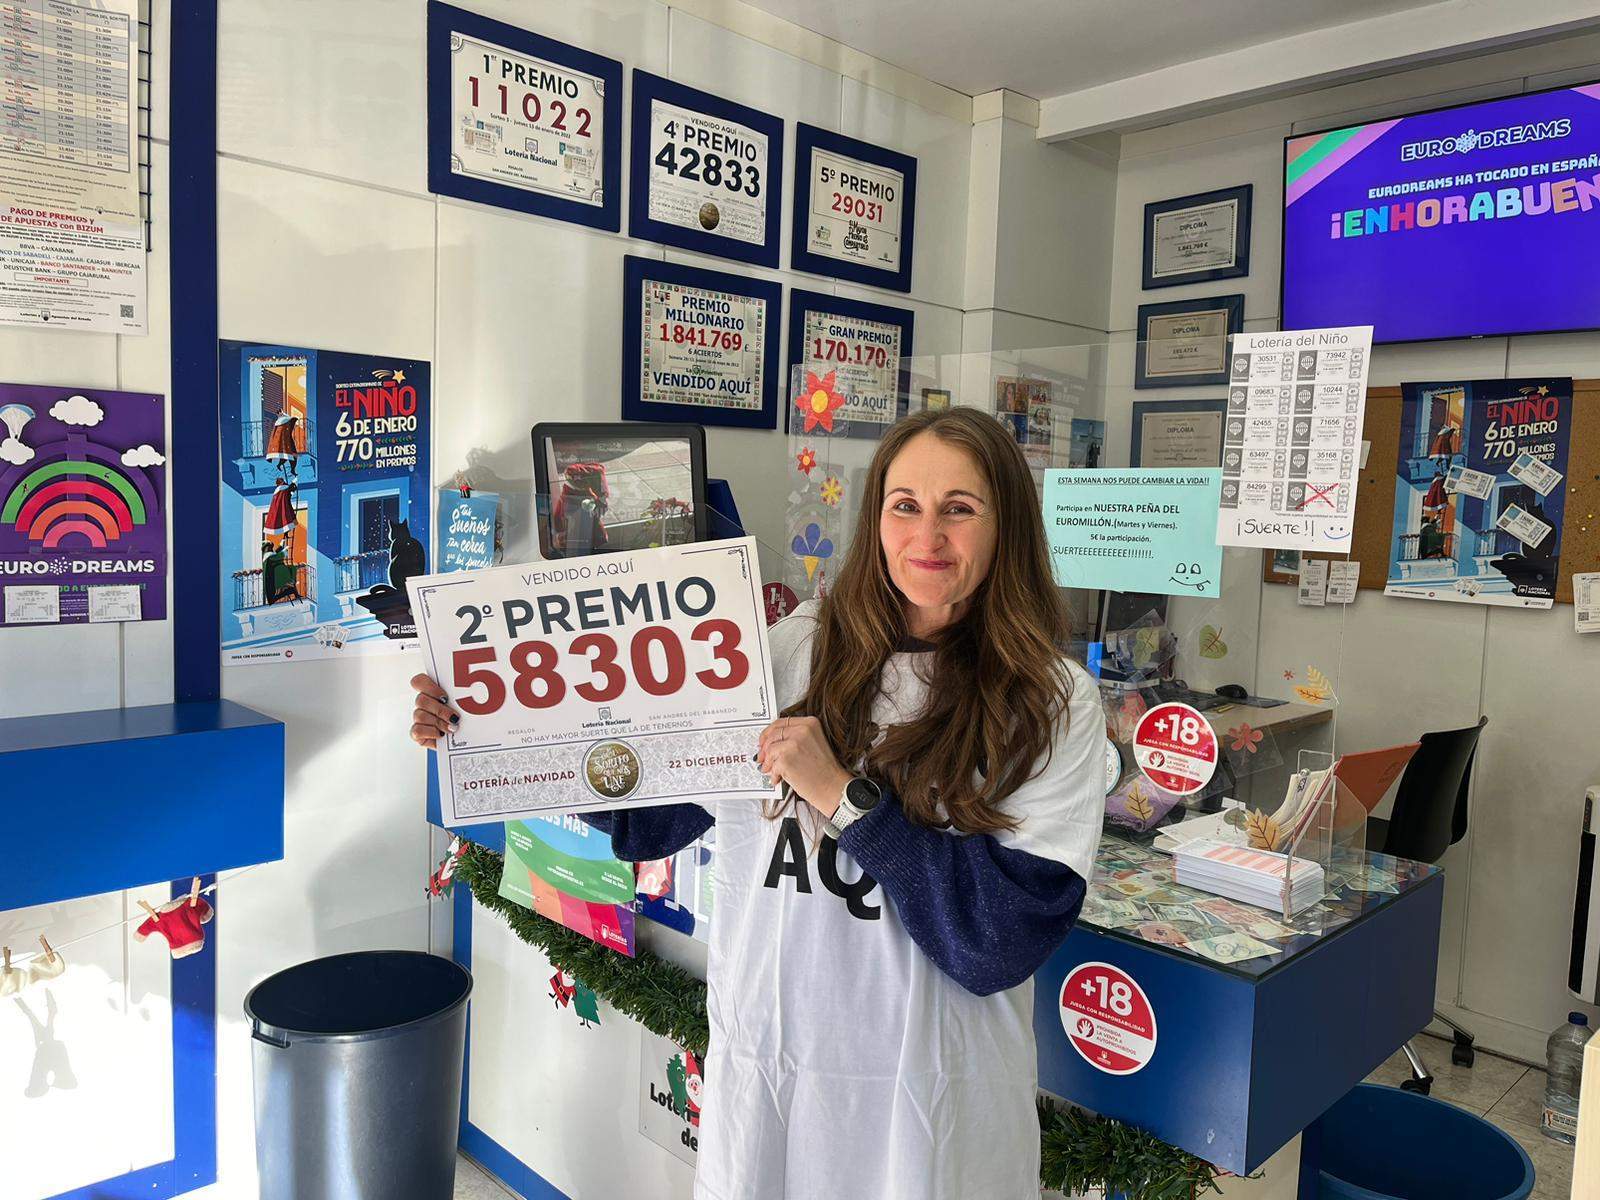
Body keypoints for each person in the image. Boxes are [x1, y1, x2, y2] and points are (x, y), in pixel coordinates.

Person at [409, 407, 1106, 1199]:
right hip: (773, 1097)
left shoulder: (1051, 703)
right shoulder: (786, 651)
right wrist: (491, 720)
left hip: (932, 1123)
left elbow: (996, 945)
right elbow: (649, 819)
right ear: (876, 515)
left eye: (961, 508)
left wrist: (846, 798)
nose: (929, 535)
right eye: (905, 504)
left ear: (1005, 524)